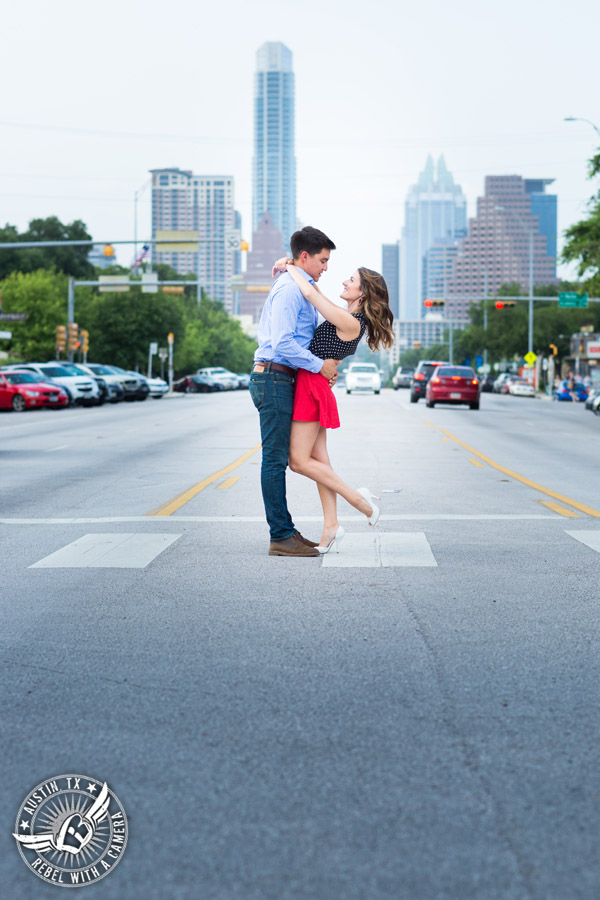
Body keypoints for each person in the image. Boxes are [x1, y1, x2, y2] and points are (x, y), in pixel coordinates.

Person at [275, 259, 394, 554]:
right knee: (320, 463)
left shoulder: (351, 322)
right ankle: (331, 525)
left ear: (362, 293)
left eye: (351, 280)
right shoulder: (348, 319)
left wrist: (291, 267)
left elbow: (312, 296)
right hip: (313, 383)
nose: (344, 282)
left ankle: (359, 500)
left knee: (298, 461)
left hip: (311, 386)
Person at [249, 226, 339, 558]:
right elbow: (284, 342)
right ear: (305, 257)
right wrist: (319, 365)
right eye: (322, 260)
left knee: (280, 460)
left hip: (279, 378)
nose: (326, 267)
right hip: (273, 377)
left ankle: (285, 531)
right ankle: (281, 536)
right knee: (274, 460)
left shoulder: (298, 283)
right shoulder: (290, 290)